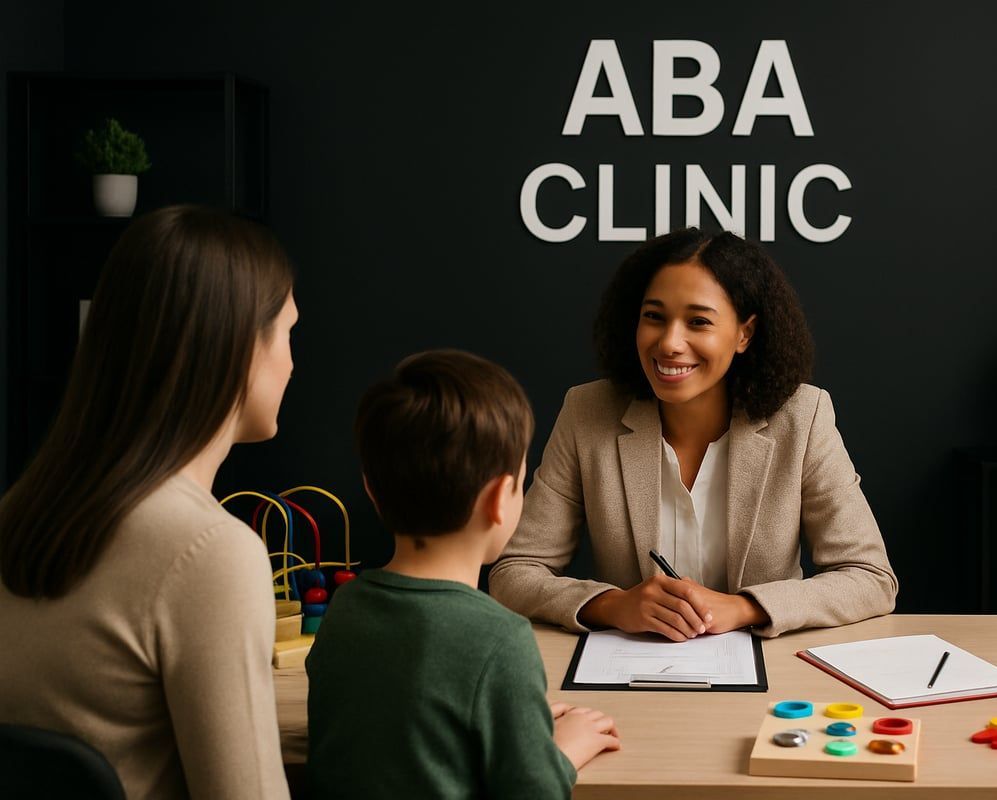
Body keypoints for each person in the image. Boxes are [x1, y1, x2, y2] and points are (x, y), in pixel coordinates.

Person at [0, 205, 296, 799]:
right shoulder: (210, 552)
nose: (291, 361)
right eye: (288, 332)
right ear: (239, 345)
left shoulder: (21, 511)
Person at [489, 229, 898, 640]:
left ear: (745, 334)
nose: (669, 343)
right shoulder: (587, 412)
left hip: (769, 675)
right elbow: (513, 572)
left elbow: (871, 578)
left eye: (698, 321)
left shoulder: (802, 417)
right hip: (627, 670)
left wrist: (744, 608)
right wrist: (614, 605)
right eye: (654, 317)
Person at [305, 350, 620, 799]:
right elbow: (533, 792)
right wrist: (561, 751)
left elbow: (407, 731)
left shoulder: (345, 612)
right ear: (498, 500)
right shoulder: (499, 639)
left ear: (372, 491)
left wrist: (519, 725)